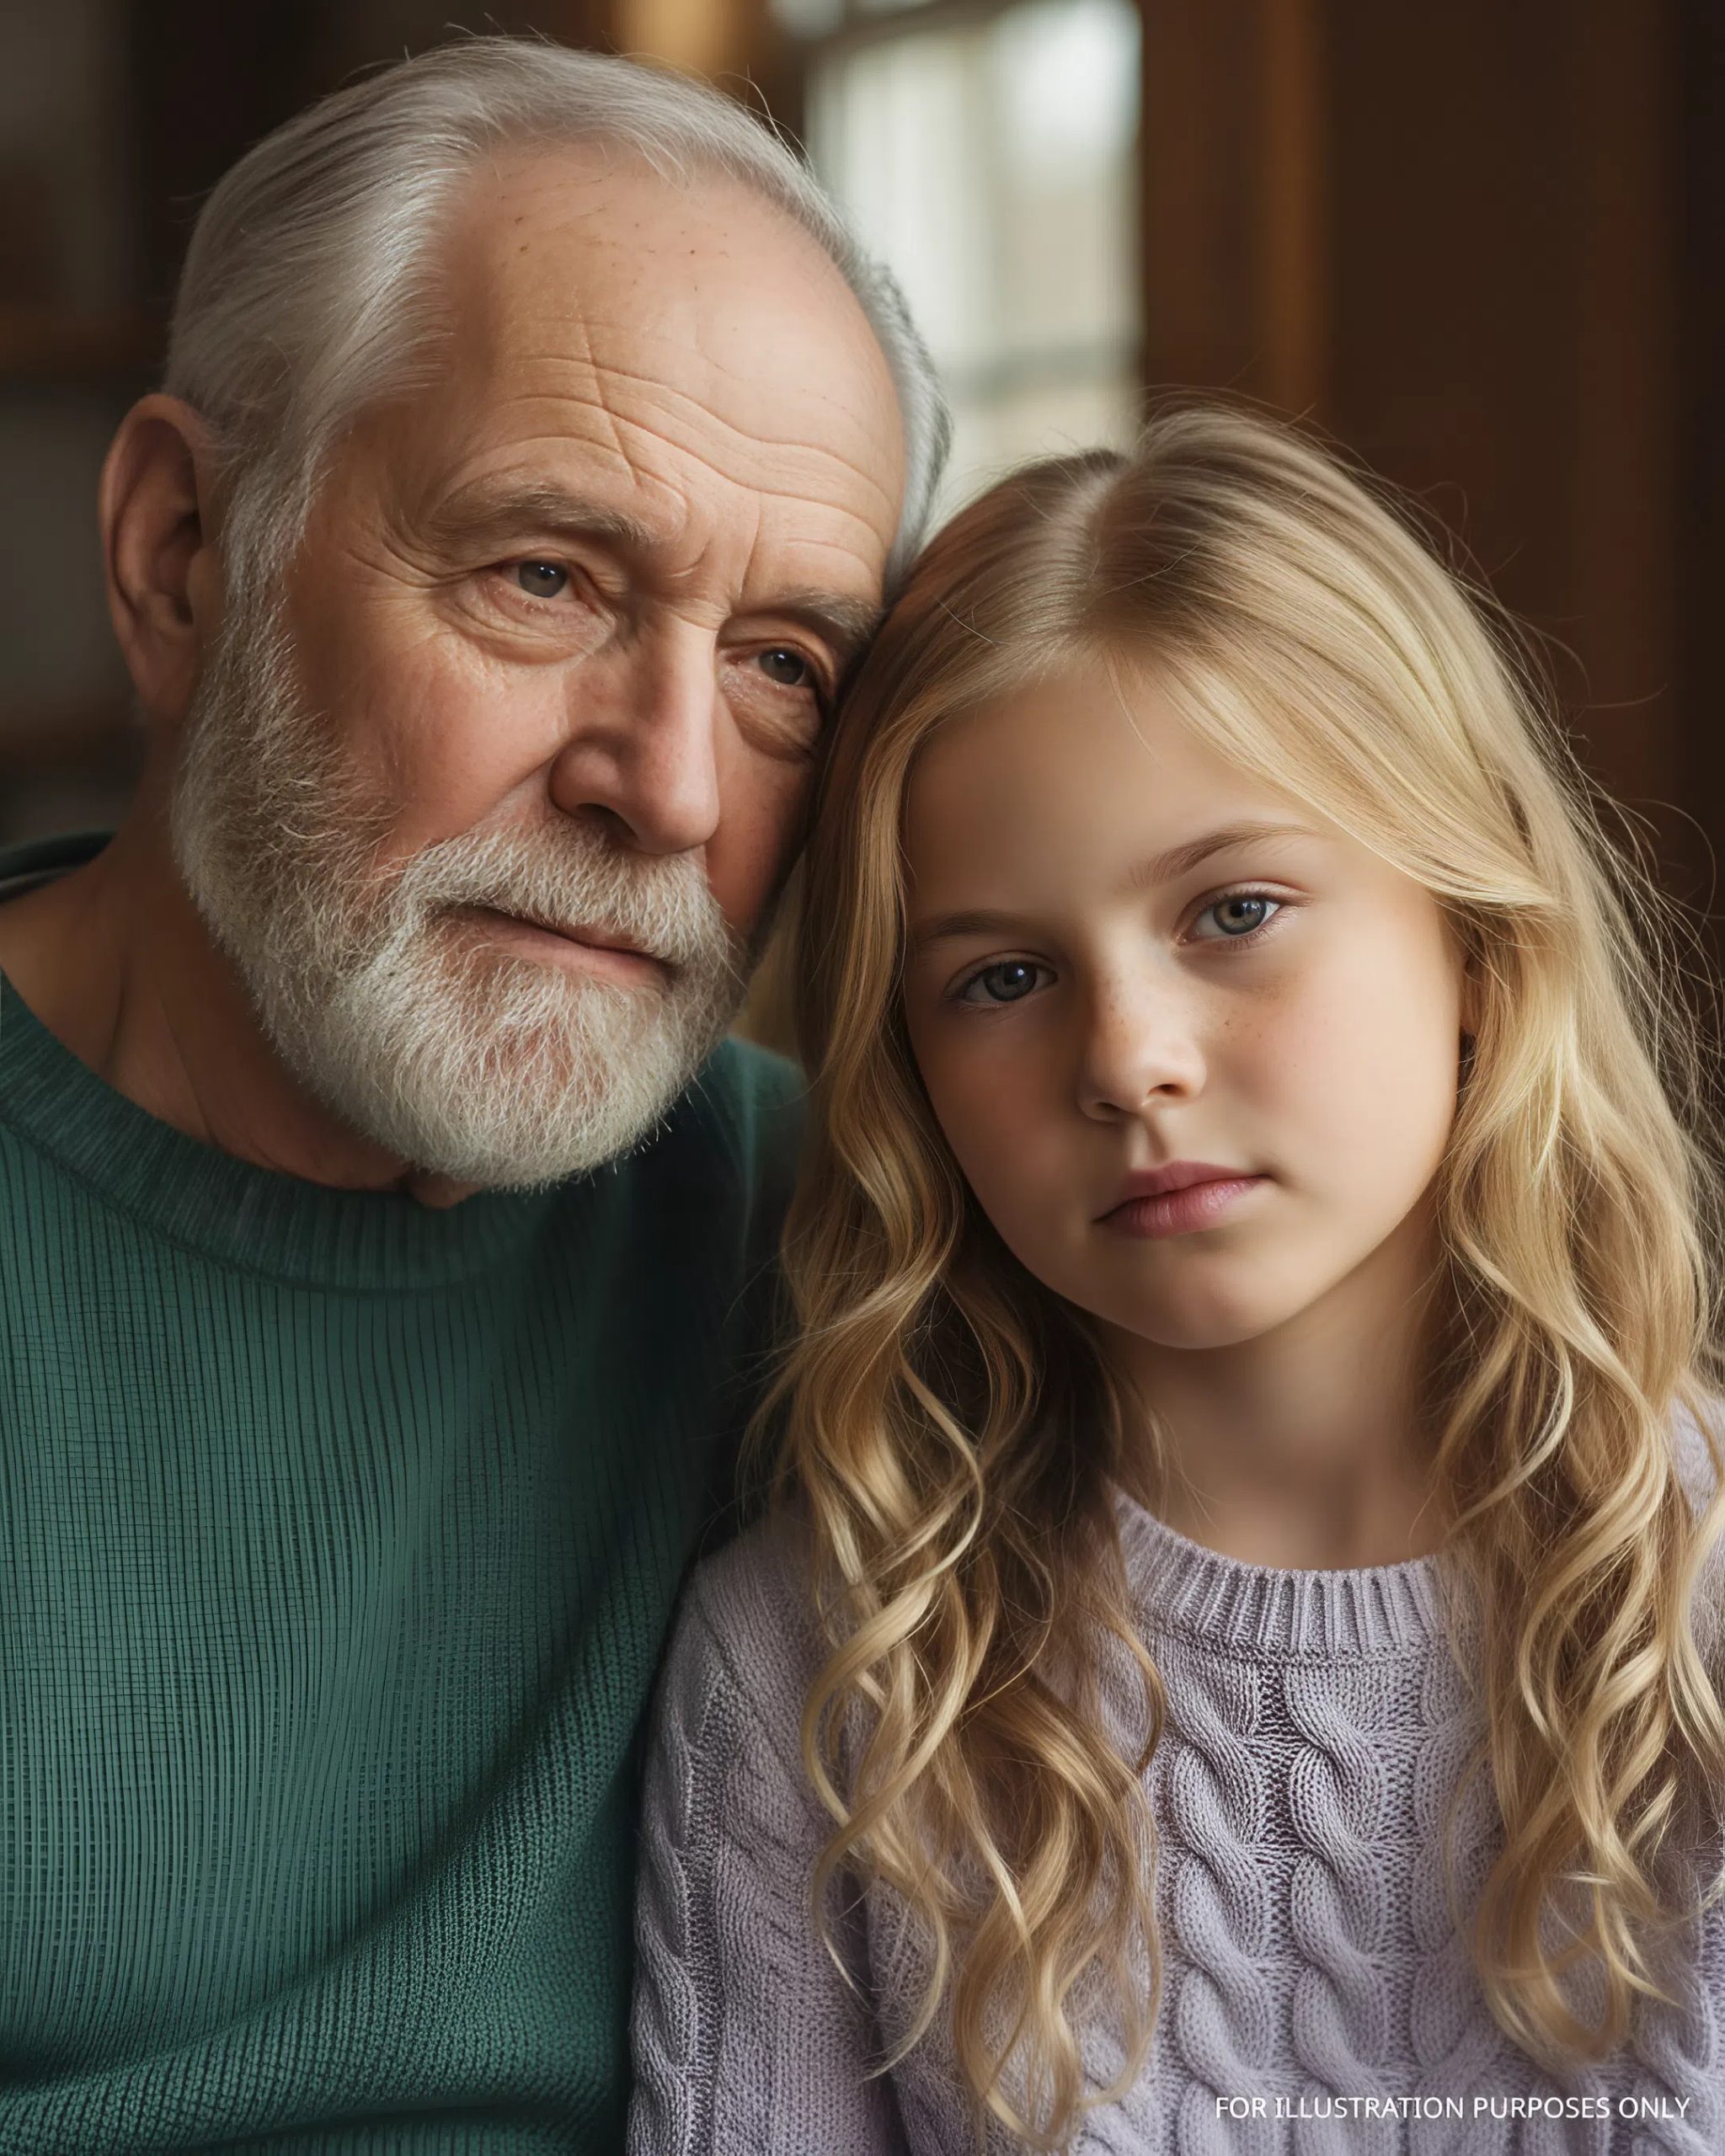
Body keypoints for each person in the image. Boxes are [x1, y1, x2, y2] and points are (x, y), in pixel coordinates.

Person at [0, 35, 946, 2154]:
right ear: (179, 555)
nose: (670, 786)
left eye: (785, 660)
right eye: (547, 576)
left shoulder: (853, 1242)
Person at [629, 403, 1725, 2153]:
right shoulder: (818, 1669)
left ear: (1472, 937)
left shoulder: (1694, 1608)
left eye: (1233, 911)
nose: (1127, 1056)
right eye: (998, 978)